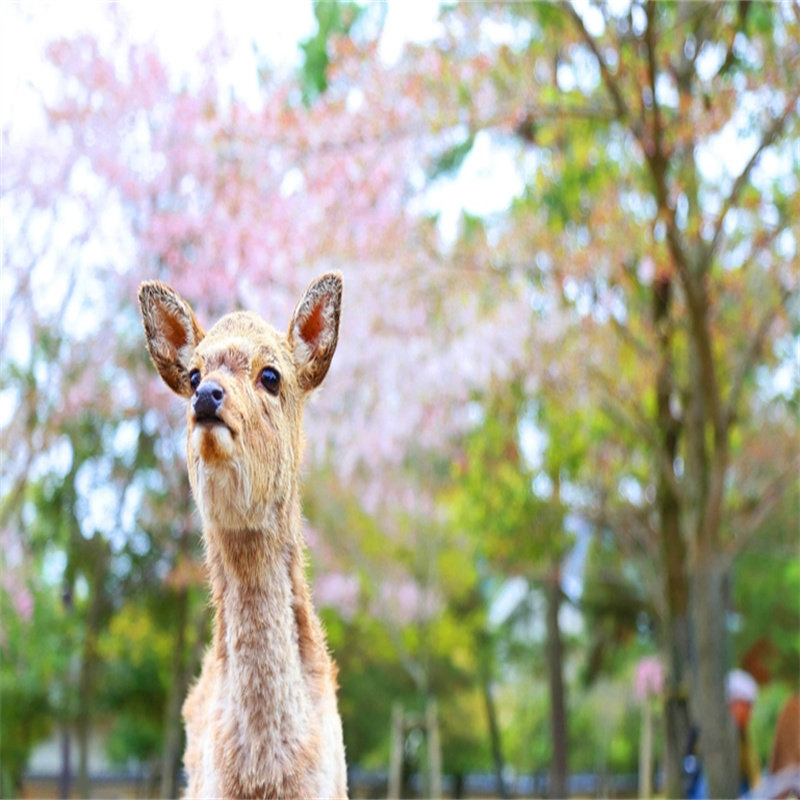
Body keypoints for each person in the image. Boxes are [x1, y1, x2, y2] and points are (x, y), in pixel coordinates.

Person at [727, 669, 761, 796]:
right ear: (733, 703)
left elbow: (754, 773)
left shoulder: (743, 734)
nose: (750, 713)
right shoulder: (720, 737)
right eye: (748, 705)